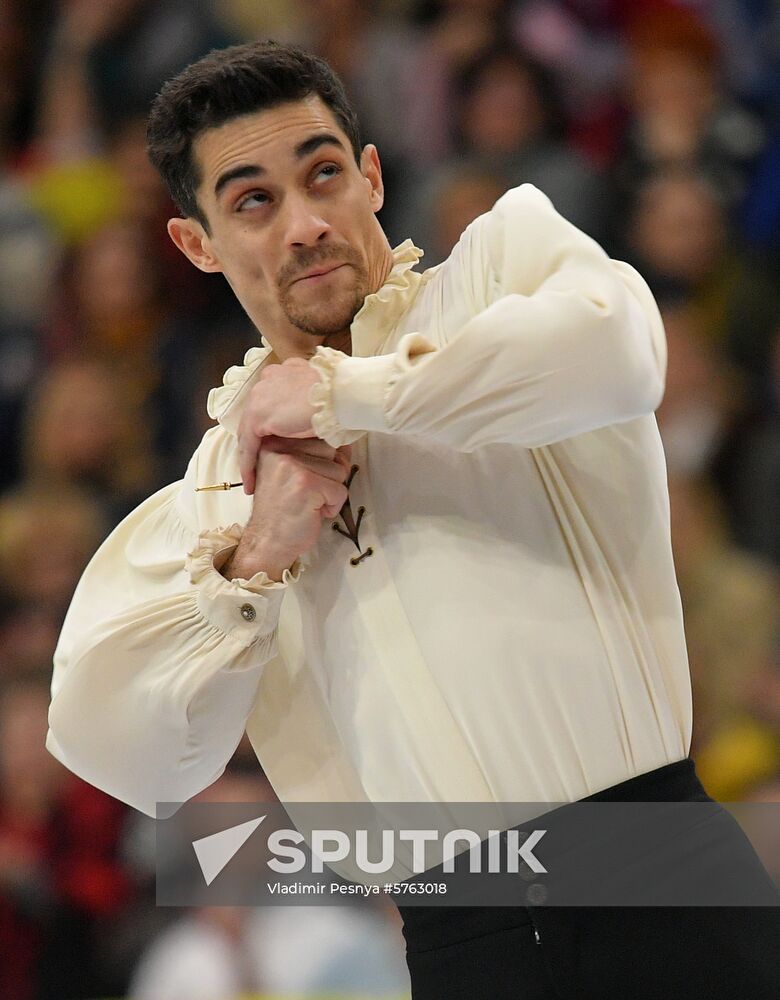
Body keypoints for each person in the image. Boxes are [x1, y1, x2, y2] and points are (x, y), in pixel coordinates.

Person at [45, 40, 780, 999]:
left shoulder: (503, 271)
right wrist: (255, 562)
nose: (306, 223)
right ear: (197, 243)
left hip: (661, 878)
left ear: (373, 176)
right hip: (457, 940)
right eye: (254, 201)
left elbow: (619, 352)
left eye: (323, 174)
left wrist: (342, 398)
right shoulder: (218, 495)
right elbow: (119, 749)